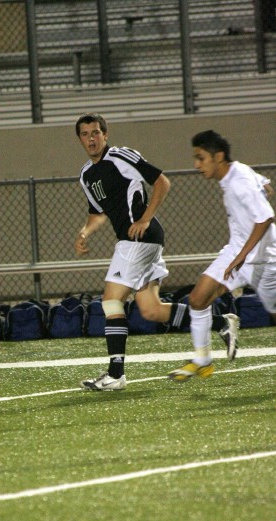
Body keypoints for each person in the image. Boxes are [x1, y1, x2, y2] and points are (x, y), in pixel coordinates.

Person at [74, 113, 239, 391]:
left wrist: (146, 218)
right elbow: (97, 213)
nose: (91, 138)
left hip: (139, 239)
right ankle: (221, 321)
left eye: (95, 133)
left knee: (111, 301)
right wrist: (84, 233)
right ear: (79, 139)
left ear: (105, 134)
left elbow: (162, 181)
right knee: (152, 310)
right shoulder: (86, 176)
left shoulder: (120, 156)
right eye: (85, 134)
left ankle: (115, 375)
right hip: (139, 242)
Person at [169, 129, 275, 382]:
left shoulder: (238, 182)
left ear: (219, 157)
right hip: (237, 251)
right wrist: (263, 188)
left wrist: (241, 257)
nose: (196, 165)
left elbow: (266, 218)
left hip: (264, 260)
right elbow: (264, 184)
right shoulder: (237, 172)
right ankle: (202, 361)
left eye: (201, 158)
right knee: (197, 298)